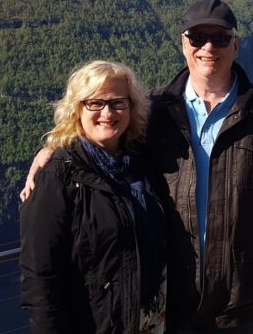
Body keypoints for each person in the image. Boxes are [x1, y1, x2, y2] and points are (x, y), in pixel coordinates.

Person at [22, 0, 253, 334]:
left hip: (242, 300)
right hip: (172, 299)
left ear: (236, 46)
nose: (208, 48)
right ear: (184, 44)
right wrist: (53, 149)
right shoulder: (157, 112)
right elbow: (103, 141)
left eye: (219, 38)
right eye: (198, 38)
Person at [19, 60, 167, 334]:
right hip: (95, 325)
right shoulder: (58, 175)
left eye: (118, 103)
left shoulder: (140, 161)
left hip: (150, 322)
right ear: (77, 109)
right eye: (95, 103)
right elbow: (39, 273)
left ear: (132, 108)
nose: (107, 113)